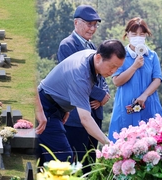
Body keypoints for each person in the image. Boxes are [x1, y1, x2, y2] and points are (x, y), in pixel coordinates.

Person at [36, 39, 126, 167]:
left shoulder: (91, 56)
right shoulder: (81, 74)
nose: (114, 71)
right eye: (112, 66)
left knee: (43, 159)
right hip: (45, 108)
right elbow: (85, 119)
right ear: (99, 57)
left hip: (56, 107)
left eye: (118, 68)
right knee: (64, 160)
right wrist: (109, 144)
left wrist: (65, 109)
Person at [57, 5, 110, 174]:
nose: (92, 28)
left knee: (89, 165)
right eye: (89, 24)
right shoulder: (67, 46)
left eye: (95, 25)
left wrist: (105, 93)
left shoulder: (93, 46)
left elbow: (101, 75)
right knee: (75, 165)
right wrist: (100, 95)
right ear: (76, 23)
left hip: (94, 114)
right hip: (76, 117)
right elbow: (74, 79)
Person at [108, 17, 162, 143]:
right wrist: (134, 66)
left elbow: (157, 79)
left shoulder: (152, 55)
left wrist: (144, 95)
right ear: (127, 34)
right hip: (126, 106)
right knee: (123, 145)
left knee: (152, 144)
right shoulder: (120, 55)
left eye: (142, 34)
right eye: (134, 34)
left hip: (148, 104)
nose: (138, 37)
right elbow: (116, 81)